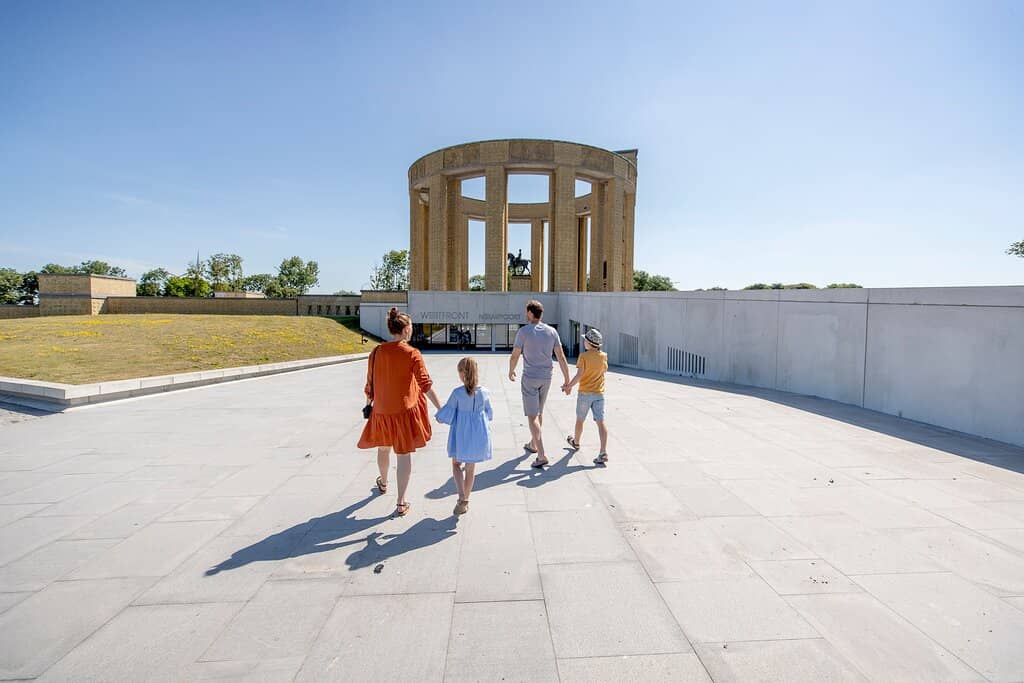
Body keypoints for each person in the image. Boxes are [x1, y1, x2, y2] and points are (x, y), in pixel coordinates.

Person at [358, 307, 443, 517]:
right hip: (404, 412)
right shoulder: (412, 353)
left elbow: (370, 384)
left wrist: (369, 403)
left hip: (382, 410)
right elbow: (425, 384)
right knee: (403, 454)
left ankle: (384, 483)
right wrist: (441, 408)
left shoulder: (376, 352)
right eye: (411, 327)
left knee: (384, 449)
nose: (412, 331)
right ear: (405, 330)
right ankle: (401, 501)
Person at [508, 299, 571, 468]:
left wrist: (511, 370)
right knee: (539, 412)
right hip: (546, 377)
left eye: (526, 311)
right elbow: (561, 356)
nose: (525, 314)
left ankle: (541, 454)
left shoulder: (524, 331)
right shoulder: (552, 332)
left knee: (532, 416)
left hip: (530, 378)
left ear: (530, 313)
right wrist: (567, 380)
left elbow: (515, 354)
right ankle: (533, 444)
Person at [435, 357, 493, 515]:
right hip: (478, 435)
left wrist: (439, 417)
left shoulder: (457, 393)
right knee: (471, 469)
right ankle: (465, 500)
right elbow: (489, 414)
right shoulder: (485, 393)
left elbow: (447, 412)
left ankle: (461, 495)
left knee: (456, 464)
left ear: (462, 373)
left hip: (461, 434)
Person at [564, 328, 610, 465]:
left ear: (589, 343)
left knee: (580, 420)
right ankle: (603, 452)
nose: (583, 341)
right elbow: (604, 370)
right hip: (599, 394)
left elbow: (579, 375)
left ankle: (576, 442)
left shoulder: (583, 357)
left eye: (585, 340)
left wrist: (568, 386)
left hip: (585, 393)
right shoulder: (603, 356)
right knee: (601, 422)